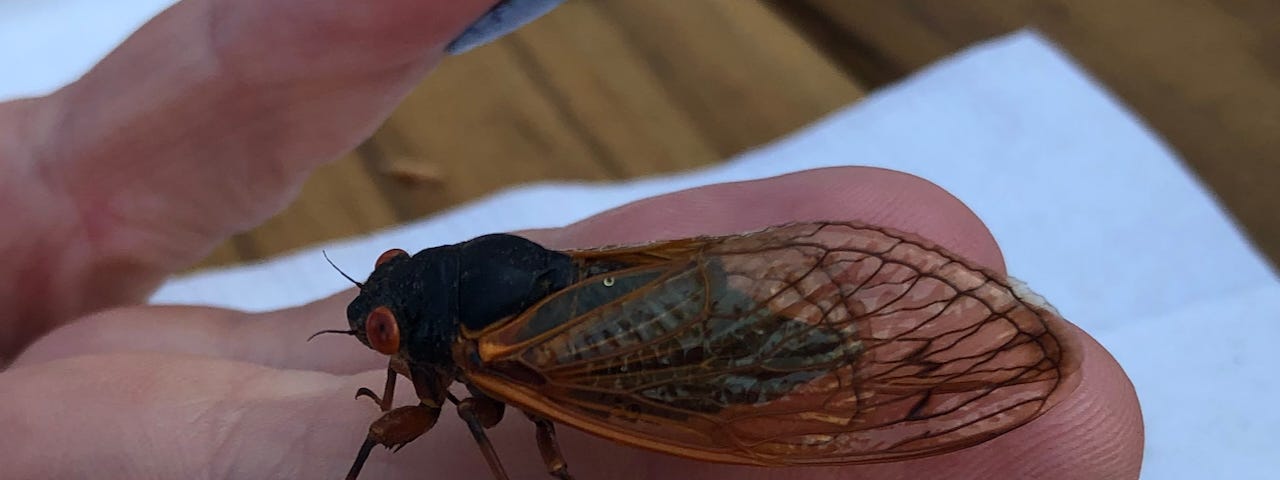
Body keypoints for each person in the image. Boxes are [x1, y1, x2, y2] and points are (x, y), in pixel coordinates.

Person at [0, 0, 1143, 478]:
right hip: (623, 290)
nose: (374, 327)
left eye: (385, 315)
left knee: (575, 432)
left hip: (668, 348)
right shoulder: (447, 335)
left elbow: (486, 434)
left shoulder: (478, 362)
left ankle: (891, 357)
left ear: (418, 321)